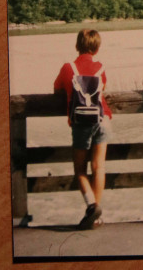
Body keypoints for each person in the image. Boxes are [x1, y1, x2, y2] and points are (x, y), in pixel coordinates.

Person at [54, 28, 112, 230]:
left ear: (77, 45)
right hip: (102, 119)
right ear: (97, 47)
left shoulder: (68, 67)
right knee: (99, 167)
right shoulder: (101, 67)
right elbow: (102, 88)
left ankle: (91, 206)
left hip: (81, 123)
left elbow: (56, 88)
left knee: (80, 169)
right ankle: (96, 216)